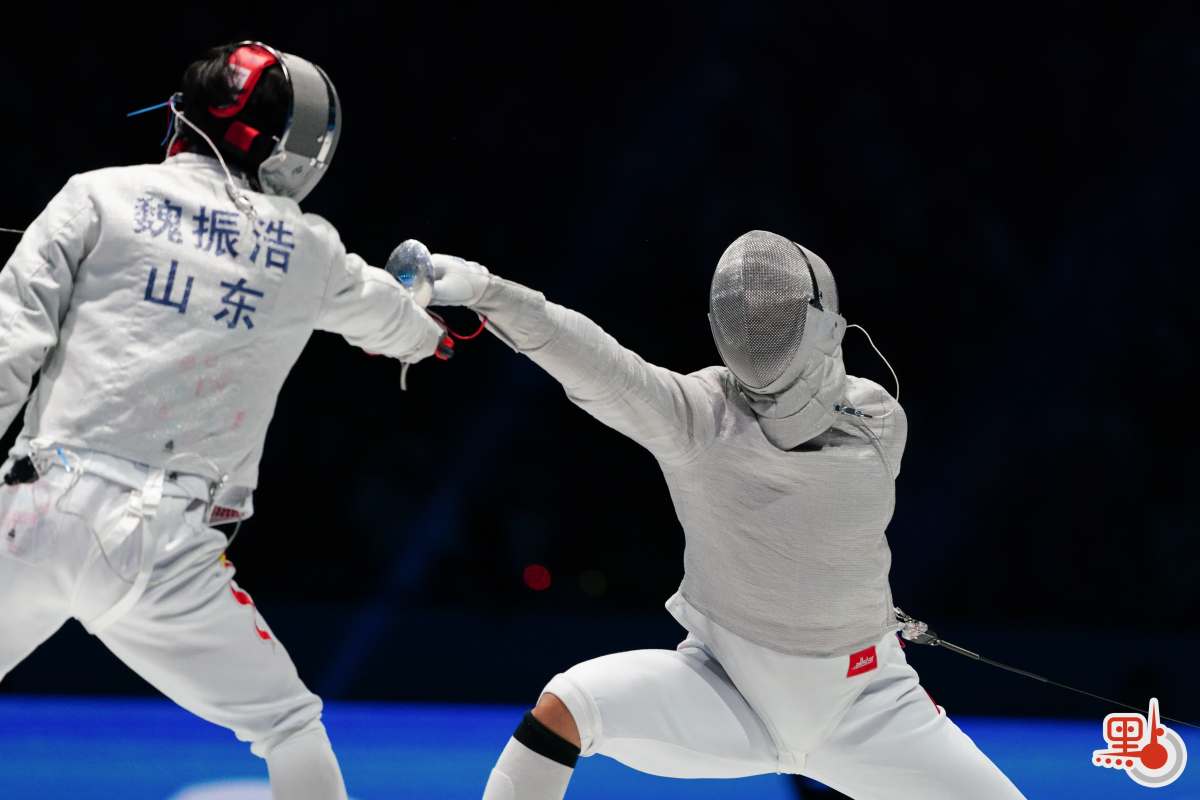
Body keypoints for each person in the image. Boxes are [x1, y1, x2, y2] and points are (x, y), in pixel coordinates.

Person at [429, 231, 1026, 799]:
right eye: (744, 320)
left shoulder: (878, 420)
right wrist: (490, 292)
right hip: (726, 689)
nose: (757, 332)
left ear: (825, 324)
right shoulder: (701, 415)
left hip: (868, 704)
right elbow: (600, 366)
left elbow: (809, 487)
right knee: (567, 707)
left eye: (775, 317)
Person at [0, 42, 443, 800]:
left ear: (184, 116)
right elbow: (404, 327)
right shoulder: (308, 247)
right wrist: (428, 317)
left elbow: (9, 347)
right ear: (293, 152)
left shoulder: (96, 195)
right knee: (289, 726)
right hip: (168, 548)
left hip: (34, 511)